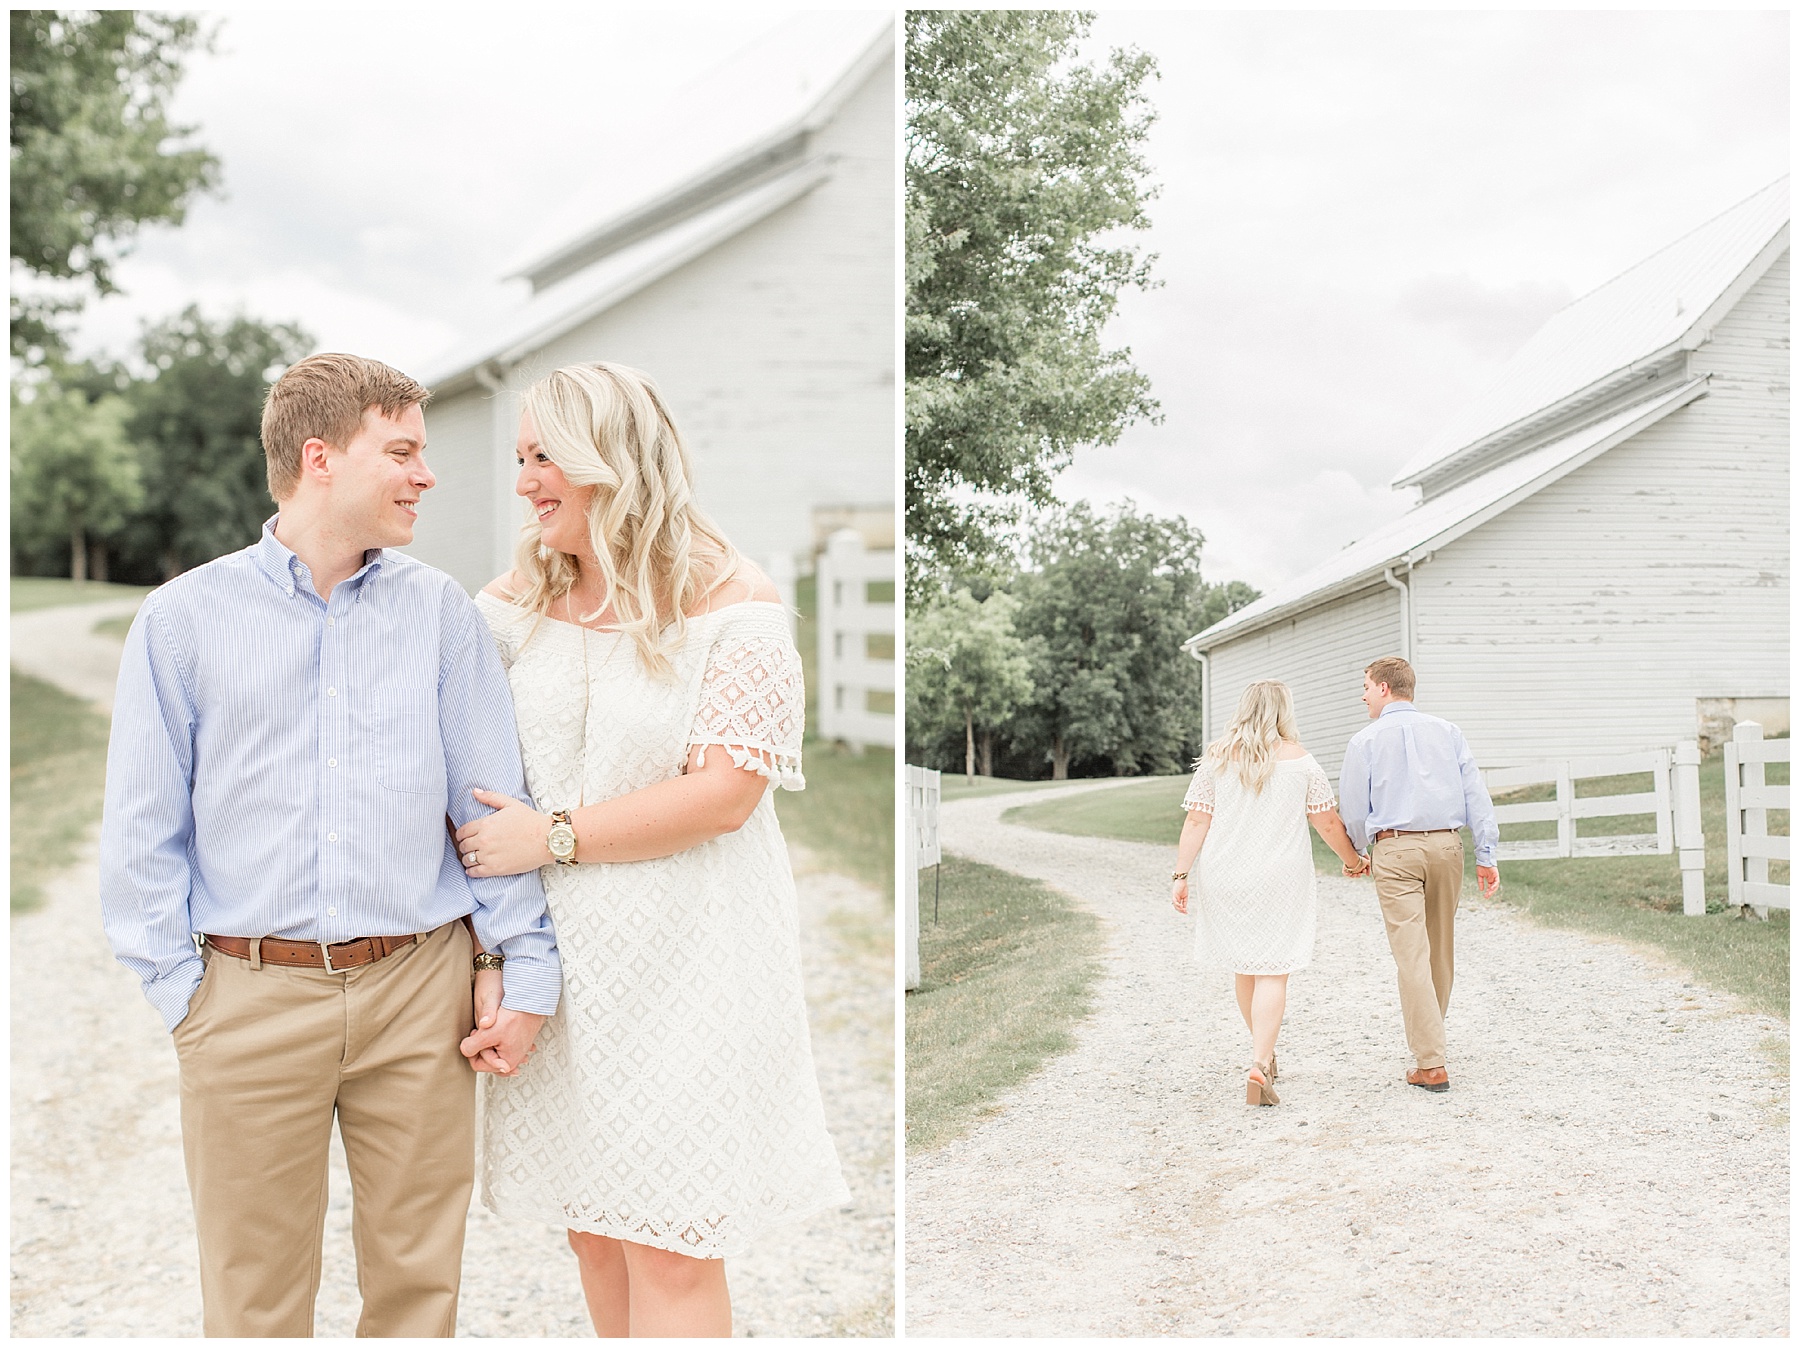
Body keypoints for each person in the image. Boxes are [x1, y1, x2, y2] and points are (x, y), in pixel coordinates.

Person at [99, 353, 561, 1336]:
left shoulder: (440, 613)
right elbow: (142, 835)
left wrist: (519, 962)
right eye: (400, 450)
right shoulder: (181, 620)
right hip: (247, 999)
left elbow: (488, 806)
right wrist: (188, 997)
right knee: (255, 1304)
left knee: (416, 1297)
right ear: (320, 457)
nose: (424, 474)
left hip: (418, 995)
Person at [450, 361, 849, 1338]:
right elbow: (455, 758)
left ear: (609, 459)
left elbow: (724, 794)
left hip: (688, 961)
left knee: (672, 1242)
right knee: (595, 1226)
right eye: (519, 456)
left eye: (544, 455)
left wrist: (550, 836)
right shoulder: (515, 602)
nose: (524, 479)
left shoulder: (731, 602)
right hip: (564, 963)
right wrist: (497, 955)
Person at [1170, 679, 1369, 1106]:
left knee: (1245, 966)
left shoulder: (1217, 760)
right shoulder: (1301, 762)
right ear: (1283, 711)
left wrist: (1180, 875)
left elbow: (1196, 822)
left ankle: (1264, 1053)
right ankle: (1260, 1064)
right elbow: (1327, 822)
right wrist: (1353, 861)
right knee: (1273, 968)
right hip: (1280, 877)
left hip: (1225, 875)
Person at [1338, 656, 1500, 1093]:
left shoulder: (1364, 741)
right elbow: (1475, 795)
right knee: (1440, 950)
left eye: (1367, 686)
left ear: (1385, 689)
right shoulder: (1448, 732)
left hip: (1396, 848)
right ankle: (1432, 1040)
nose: (1363, 694)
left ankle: (1431, 1063)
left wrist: (1355, 854)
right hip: (1448, 846)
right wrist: (1486, 853)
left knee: (1411, 954)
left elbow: (1353, 809)